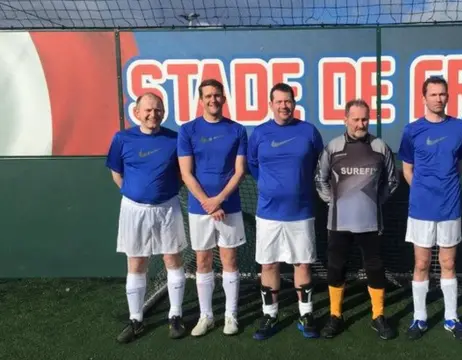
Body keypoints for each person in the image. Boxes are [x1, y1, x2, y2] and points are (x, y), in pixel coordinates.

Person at [106, 93, 187, 344]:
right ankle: (136, 319)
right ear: (137, 112)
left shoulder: (175, 139)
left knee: (173, 259)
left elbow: (183, 174)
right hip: (134, 210)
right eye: (148, 110)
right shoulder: (122, 139)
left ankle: (175, 315)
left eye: (158, 110)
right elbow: (116, 174)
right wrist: (136, 194)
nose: (154, 114)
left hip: (167, 208)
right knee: (136, 263)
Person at [315, 98, 399, 340]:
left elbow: (392, 182)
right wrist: (334, 202)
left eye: (365, 119)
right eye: (356, 119)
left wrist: (374, 202)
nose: (361, 124)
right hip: (339, 222)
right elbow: (320, 180)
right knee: (336, 266)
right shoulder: (333, 147)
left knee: (374, 267)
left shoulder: (380, 147)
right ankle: (335, 315)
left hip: (370, 222)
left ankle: (378, 316)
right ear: (345, 119)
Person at [247, 82, 324, 340]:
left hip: (301, 212)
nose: (284, 105)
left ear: (294, 103)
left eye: (288, 101)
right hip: (268, 213)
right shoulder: (259, 134)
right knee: (269, 264)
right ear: (270, 105)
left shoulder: (309, 132)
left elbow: (317, 164)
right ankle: (270, 314)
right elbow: (254, 166)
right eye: (278, 101)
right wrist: (272, 188)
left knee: (302, 263)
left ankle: (306, 312)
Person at [397, 77, 462, 341]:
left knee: (448, 263)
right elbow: (407, 168)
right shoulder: (411, 130)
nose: (438, 99)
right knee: (421, 263)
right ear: (423, 98)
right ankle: (420, 318)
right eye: (433, 94)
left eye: (443, 94)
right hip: (420, 209)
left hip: (450, 207)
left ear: (447, 97)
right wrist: (421, 191)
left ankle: (452, 318)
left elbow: (460, 164)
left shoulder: (460, 128)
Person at [177, 79, 248, 337]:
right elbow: (186, 173)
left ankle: (231, 315)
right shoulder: (188, 130)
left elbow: (240, 172)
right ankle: (206, 316)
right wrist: (208, 203)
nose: (213, 100)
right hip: (200, 209)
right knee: (202, 261)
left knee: (229, 260)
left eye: (217, 95)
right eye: (208, 96)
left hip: (229, 206)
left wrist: (218, 200)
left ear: (224, 98)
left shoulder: (238, 130)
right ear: (201, 99)